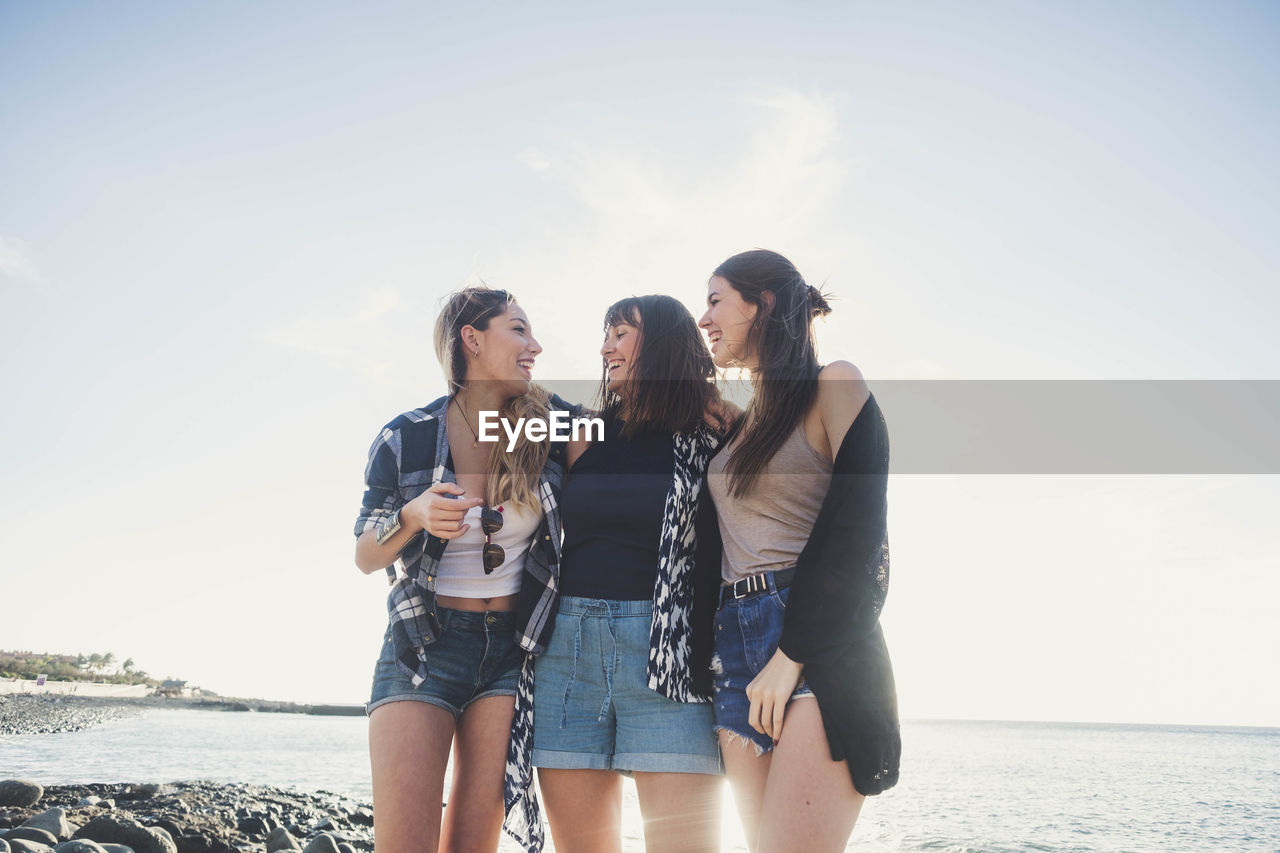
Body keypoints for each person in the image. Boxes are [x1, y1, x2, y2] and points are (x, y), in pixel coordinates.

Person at [353, 286, 576, 853]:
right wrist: (414, 514)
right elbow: (365, 553)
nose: (536, 346)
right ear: (472, 340)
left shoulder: (549, 426)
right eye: (519, 329)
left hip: (510, 653)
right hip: (423, 645)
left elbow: (626, 427)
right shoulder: (406, 435)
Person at [699, 250, 900, 853]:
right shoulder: (741, 425)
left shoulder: (833, 384)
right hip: (734, 651)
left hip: (814, 646)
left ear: (762, 305)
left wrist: (792, 654)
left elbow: (862, 535)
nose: (703, 318)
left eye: (715, 300)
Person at [514, 295, 729, 853]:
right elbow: (496, 422)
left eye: (620, 333)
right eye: (605, 333)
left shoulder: (716, 429)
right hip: (568, 650)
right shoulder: (582, 431)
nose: (606, 346)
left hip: (668, 653)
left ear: (659, 343)